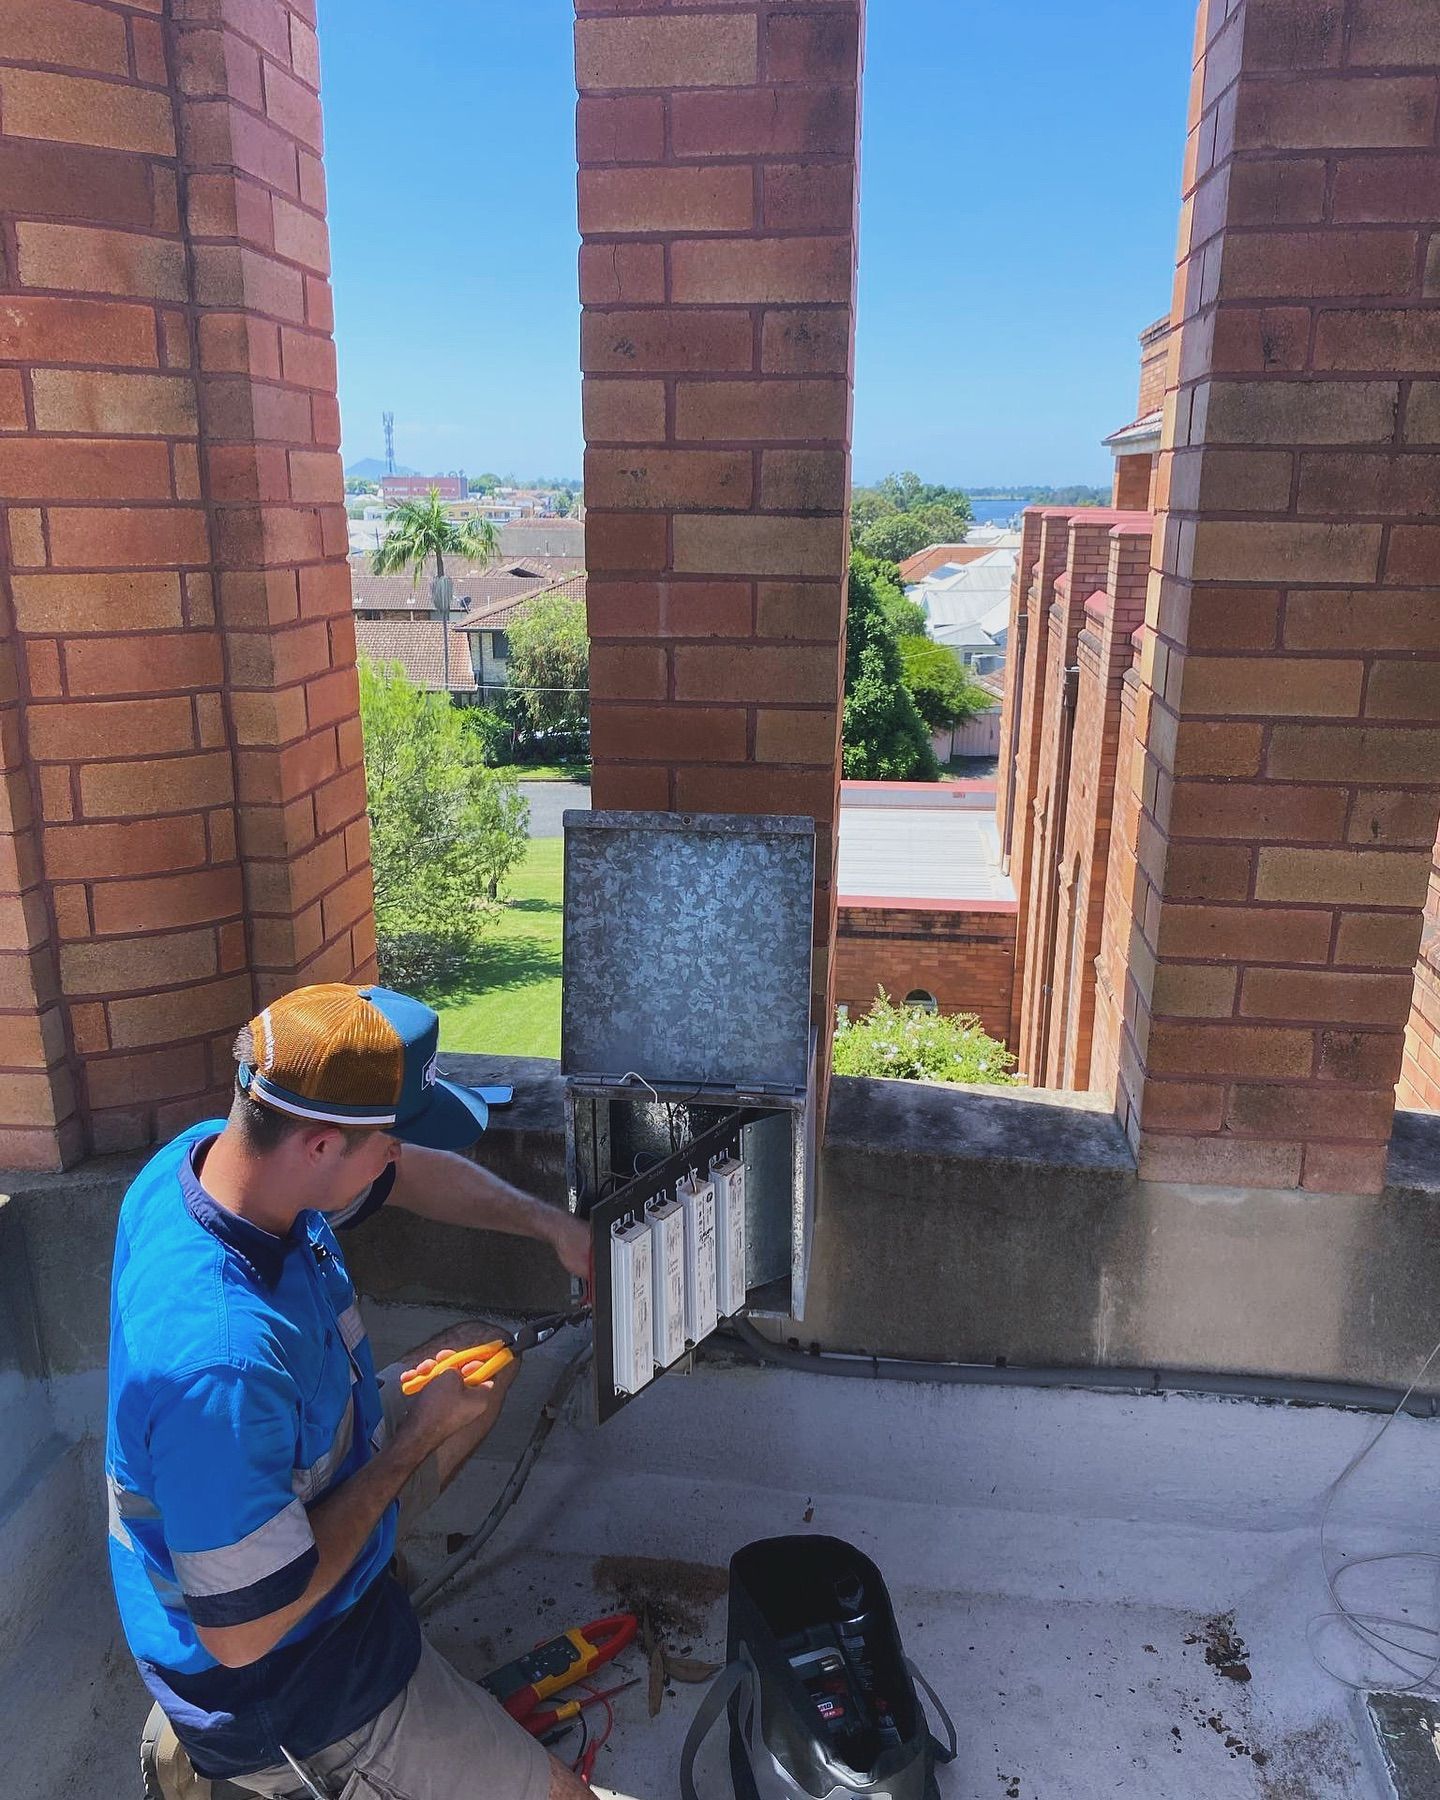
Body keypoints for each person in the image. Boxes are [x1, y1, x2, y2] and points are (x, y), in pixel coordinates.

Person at [107, 983, 599, 1800]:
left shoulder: (211, 1163)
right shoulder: (220, 1366)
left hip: (284, 1497)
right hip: (278, 1680)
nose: (399, 1159)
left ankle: (372, 1574)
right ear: (319, 1148)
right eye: (390, 1142)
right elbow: (242, 1633)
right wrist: (412, 1444)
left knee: (480, 1358)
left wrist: (553, 1227)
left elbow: (404, 1180)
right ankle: (231, 1752)